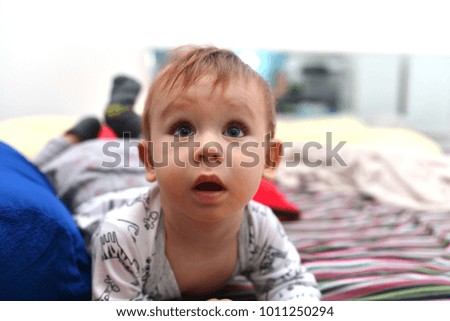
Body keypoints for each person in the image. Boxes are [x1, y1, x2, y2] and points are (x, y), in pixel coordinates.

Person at [35, 45, 320, 301]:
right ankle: (75, 135)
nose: (209, 148)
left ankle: (119, 119)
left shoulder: (259, 227)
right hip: (95, 176)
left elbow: (293, 284)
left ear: (269, 159)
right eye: (184, 130)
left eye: (234, 131)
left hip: (151, 176)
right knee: (42, 168)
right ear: (149, 161)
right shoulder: (121, 236)